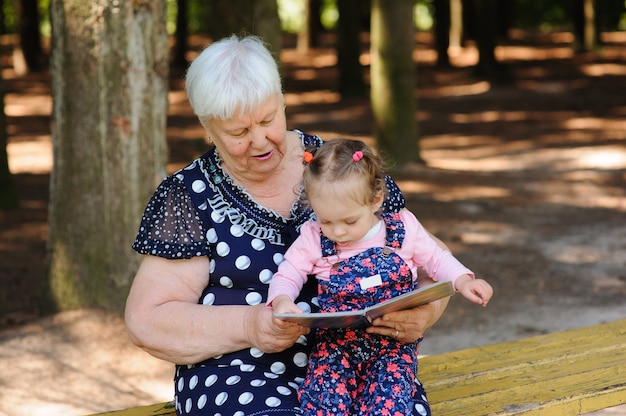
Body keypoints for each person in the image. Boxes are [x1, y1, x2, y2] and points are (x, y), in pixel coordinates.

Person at [125, 34, 450, 416]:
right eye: (238, 132)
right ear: (208, 128)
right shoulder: (190, 195)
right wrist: (250, 325)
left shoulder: (339, 169)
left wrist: (423, 314)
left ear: (282, 102)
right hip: (238, 372)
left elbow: (433, 260)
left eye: (267, 119)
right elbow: (146, 320)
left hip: (363, 365)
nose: (260, 140)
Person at [267, 139, 493, 415]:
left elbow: (437, 259)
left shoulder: (402, 230)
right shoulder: (314, 238)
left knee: (389, 406)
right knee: (323, 404)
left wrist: (464, 280)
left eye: (349, 221)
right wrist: (280, 300)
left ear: (376, 200)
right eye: (326, 220)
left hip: (393, 348)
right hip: (335, 348)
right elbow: (287, 274)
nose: (337, 232)